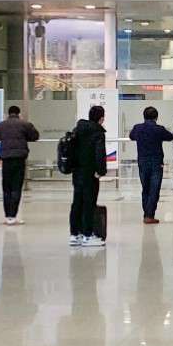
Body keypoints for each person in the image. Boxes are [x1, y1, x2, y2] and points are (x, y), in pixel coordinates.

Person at [0, 105, 40, 225]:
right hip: (19, 159)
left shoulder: (2, 125)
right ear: (19, 114)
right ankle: (13, 215)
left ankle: (8, 216)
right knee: (16, 187)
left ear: (8, 114)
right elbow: (35, 136)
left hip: (6, 159)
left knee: (7, 188)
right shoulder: (25, 124)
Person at [67, 104, 108, 247]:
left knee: (77, 202)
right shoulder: (98, 132)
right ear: (101, 118)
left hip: (77, 171)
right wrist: (101, 171)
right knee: (89, 203)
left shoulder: (78, 129)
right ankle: (87, 235)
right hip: (90, 173)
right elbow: (100, 153)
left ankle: (74, 234)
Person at [129, 106, 173, 224]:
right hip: (156, 162)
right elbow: (170, 137)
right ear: (156, 117)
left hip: (142, 162)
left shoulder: (137, 128)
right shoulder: (159, 129)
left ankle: (147, 214)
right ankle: (149, 215)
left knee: (146, 189)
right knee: (154, 189)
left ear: (144, 116)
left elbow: (131, 136)